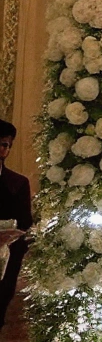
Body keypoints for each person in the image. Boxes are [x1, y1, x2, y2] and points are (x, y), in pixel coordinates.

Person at [0, 120, 32, 329]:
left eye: (6, 144)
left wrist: (10, 238)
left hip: (6, 253)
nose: (3, 148)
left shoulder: (18, 183)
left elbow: (25, 222)